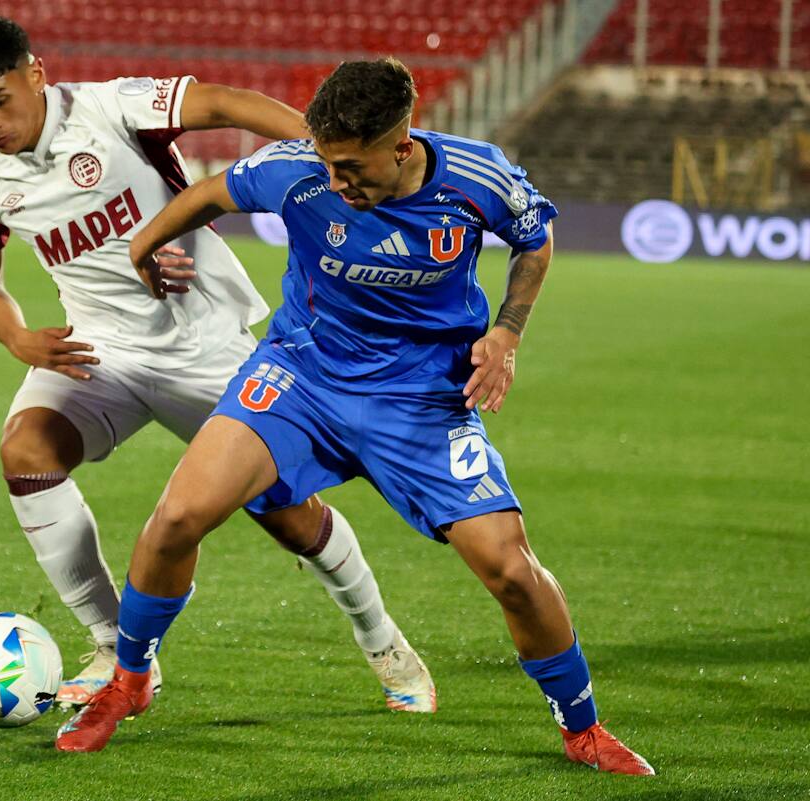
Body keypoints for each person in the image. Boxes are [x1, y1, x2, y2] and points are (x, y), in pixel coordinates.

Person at [54, 58, 656, 776]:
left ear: (402, 146)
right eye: (327, 163)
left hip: (424, 398)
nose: (335, 182)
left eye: (351, 167)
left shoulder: (477, 176)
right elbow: (211, 193)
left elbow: (534, 238)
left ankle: (582, 727)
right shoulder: (300, 169)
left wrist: (508, 331)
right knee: (178, 515)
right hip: (302, 374)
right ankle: (130, 679)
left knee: (512, 570)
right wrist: (142, 247)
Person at [0, 16, 433, 712]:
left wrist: (320, 154)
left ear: (35, 73)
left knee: (288, 514)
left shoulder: (111, 109)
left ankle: (383, 641)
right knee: (24, 451)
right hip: (100, 349)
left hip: (203, 343)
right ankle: (116, 648)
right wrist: (19, 339)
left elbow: (222, 102)